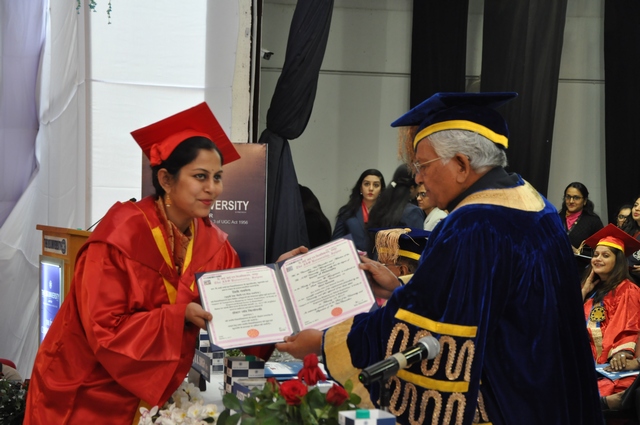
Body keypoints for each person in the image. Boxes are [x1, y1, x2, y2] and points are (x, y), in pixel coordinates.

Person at [276, 92, 603, 424]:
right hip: (550, 396)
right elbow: (481, 292)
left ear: (461, 165)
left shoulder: (474, 223)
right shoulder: (534, 203)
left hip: (504, 403)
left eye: (422, 165)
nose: (417, 177)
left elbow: (421, 324)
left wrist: (326, 341)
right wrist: (398, 285)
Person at [24, 103, 303, 424]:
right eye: (200, 176)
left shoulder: (216, 247)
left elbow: (237, 315)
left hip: (155, 396)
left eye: (217, 177)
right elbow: (104, 330)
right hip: (86, 391)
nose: (212, 188)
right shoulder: (119, 238)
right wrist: (177, 317)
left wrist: (276, 281)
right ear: (166, 180)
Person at [580, 224, 640, 410]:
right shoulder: (591, 292)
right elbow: (566, 322)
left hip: (612, 364)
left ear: (618, 261)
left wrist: (621, 353)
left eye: (605, 255)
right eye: (596, 254)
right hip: (587, 362)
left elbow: (626, 324)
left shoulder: (627, 290)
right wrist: (583, 291)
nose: (597, 259)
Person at [366, 164, 425, 256]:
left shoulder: (379, 207)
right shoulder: (413, 212)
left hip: (377, 260)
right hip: (401, 263)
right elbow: (416, 249)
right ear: (412, 188)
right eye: (418, 186)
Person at [332, 169, 385, 253]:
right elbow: (335, 244)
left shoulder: (387, 214)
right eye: (367, 184)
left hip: (377, 260)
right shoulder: (346, 211)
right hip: (353, 259)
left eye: (376, 185)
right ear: (360, 188)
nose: (371, 188)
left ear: (381, 190)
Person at [559, 182, 604, 255]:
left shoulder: (593, 221)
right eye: (568, 197)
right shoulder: (556, 218)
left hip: (581, 262)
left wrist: (578, 252)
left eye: (576, 198)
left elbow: (602, 250)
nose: (571, 201)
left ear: (585, 201)